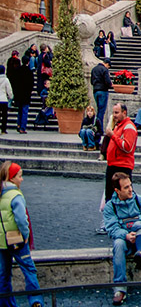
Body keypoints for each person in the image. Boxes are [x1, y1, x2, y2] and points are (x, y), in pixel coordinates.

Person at [104, 172, 141, 306]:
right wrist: (126, 235)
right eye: (126, 187)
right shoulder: (110, 207)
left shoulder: (139, 200)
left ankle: (140, 253)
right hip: (126, 240)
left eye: (130, 186)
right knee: (118, 243)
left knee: (139, 224)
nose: (130, 190)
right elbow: (112, 228)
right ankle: (120, 288)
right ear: (117, 190)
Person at [0, 162, 44, 307]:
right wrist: (26, 235)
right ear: (12, 178)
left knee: (4, 275)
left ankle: (6, 303)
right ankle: (36, 302)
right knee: (29, 270)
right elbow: (21, 220)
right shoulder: (15, 195)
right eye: (20, 176)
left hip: (1, 242)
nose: (22, 179)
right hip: (17, 240)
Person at [99, 104, 136, 235]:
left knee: (125, 195)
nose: (114, 115)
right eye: (113, 112)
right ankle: (109, 223)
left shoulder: (129, 127)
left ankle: (128, 222)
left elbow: (127, 147)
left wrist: (113, 135)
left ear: (124, 113)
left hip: (122, 165)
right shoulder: (119, 126)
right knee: (110, 195)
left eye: (116, 112)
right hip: (113, 164)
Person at [91, 57, 113, 128]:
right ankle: (99, 127)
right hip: (103, 91)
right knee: (101, 111)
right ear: (106, 64)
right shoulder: (104, 69)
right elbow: (107, 81)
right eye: (108, 66)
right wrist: (111, 85)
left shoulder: (94, 69)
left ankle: (96, 125)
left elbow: (92, 81)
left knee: (98, 109)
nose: (108, 67)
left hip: (95, 91)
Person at [0, 66, 12, 135]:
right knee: (4, 116)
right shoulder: (6, 80)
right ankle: (3, 130)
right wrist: (10, 97)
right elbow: (9, 90)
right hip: (4, 99)